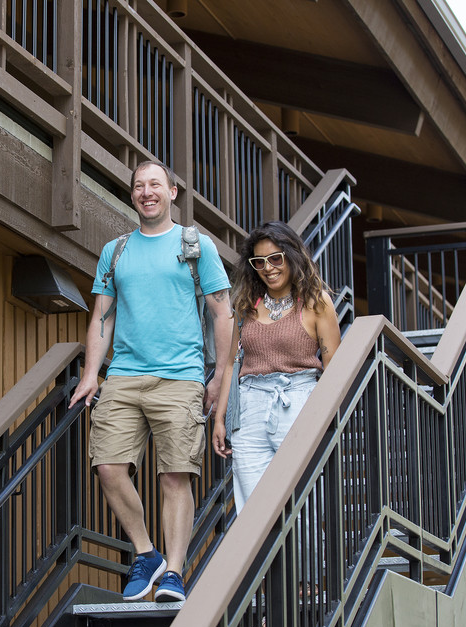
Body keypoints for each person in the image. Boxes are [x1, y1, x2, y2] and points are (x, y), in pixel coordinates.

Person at [69, 160, 233, 603]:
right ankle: (146, 553)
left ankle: (175, 573)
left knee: (175, 476)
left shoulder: (196, 246)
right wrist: (90, 373)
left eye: (155, 184)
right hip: (122, 376)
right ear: (133, 195)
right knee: (107, 466)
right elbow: (102, 314)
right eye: (139, 186)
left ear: (172, 192)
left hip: (180, 378)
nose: (147, 192)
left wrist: (219, 375)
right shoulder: (116, 250)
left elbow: (222, 313)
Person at [211, 220, 341, 513]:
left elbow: (334, 367)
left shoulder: (316, 302)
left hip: (299, 400)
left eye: (275, 258)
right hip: (249, 408)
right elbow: (231, 364)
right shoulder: (246, 305)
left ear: (291, 255)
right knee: (253, 509)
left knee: (302, 503)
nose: (268, 267)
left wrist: (325, 417)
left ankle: (306, 561)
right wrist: (220, 419)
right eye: (259, 262)